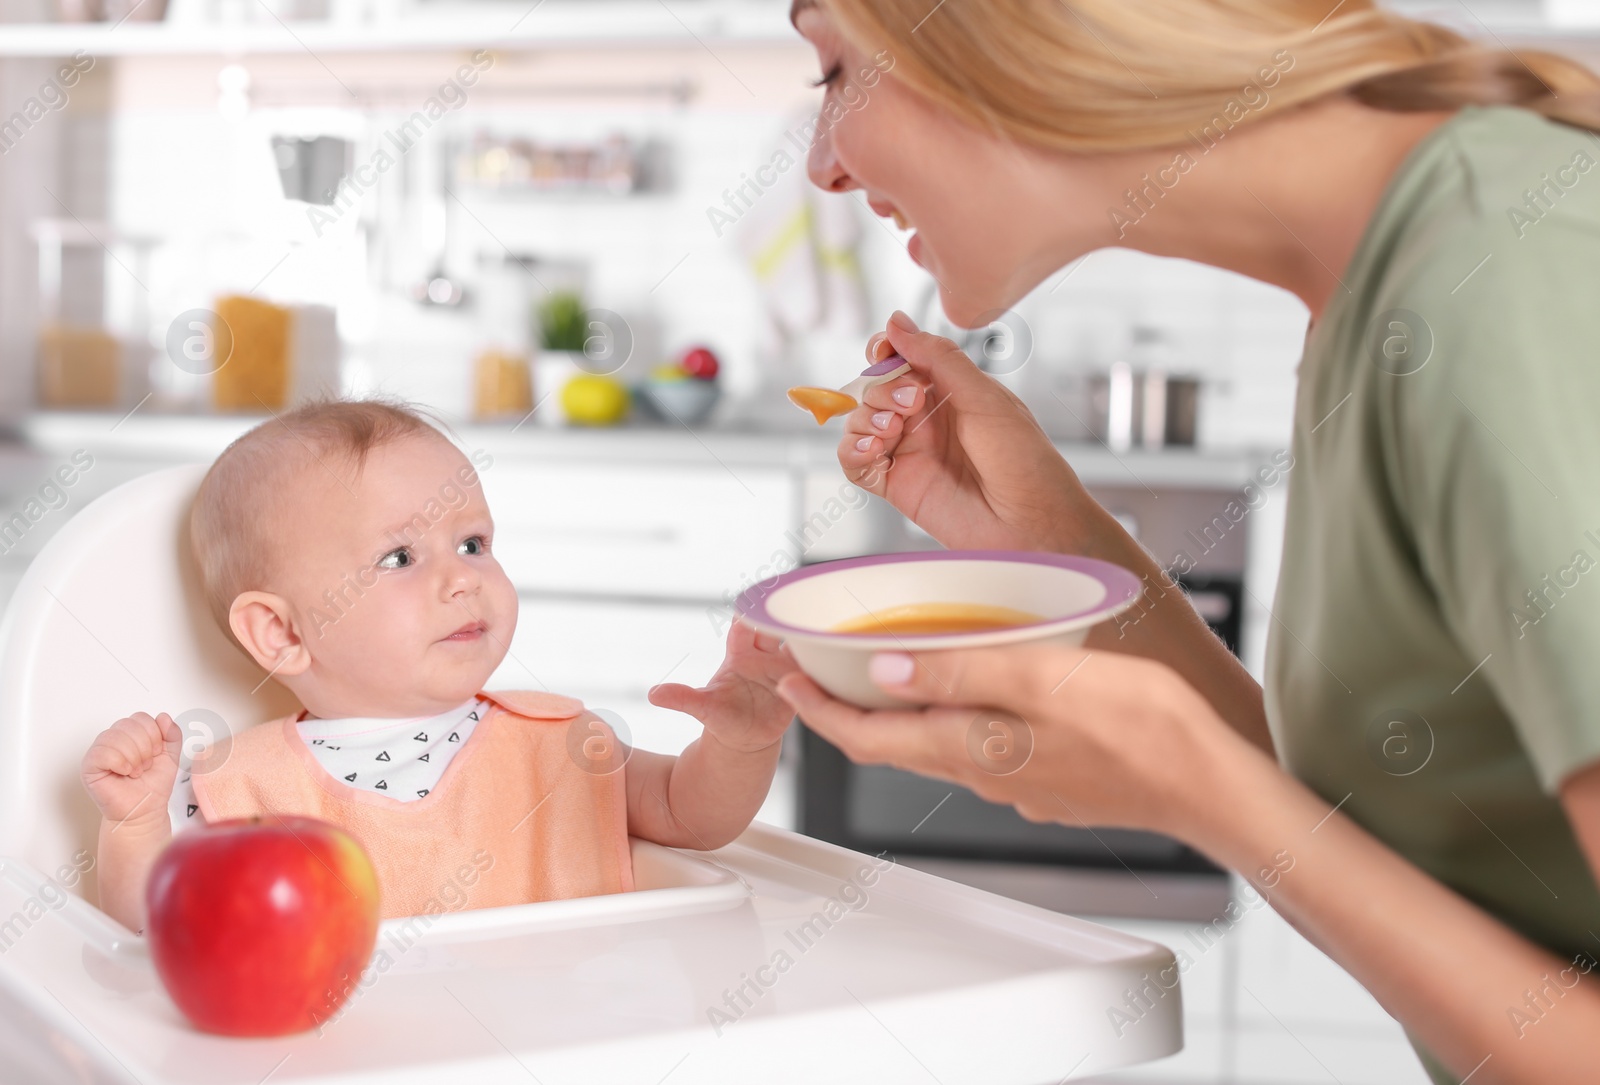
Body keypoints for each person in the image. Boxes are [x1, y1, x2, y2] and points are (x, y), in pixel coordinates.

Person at [777, 1, 1600, 1082]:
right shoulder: (1380, 282)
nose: (820, 166)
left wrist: (1203, 791)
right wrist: (1063, 547)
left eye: (834, 72)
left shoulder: (1508, 269)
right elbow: (1396, 861)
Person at [80, 400, 796, 930]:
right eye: (399, 557)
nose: (463, 578)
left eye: (474, 543)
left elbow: (691, 813)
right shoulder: (234, 792)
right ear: (280, 633)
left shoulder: (558, 744)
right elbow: (158, 932)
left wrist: (743, 739)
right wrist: (138, 824)